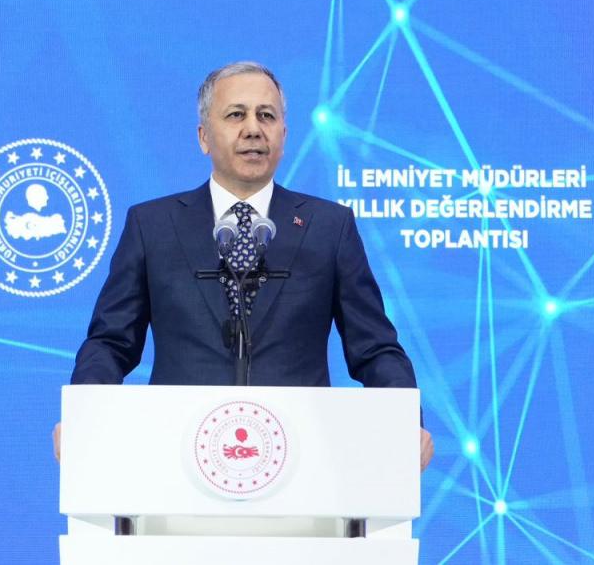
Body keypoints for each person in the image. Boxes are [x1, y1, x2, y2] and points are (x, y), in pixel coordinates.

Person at [53, 61, 433, 470]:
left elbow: (374, 348)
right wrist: (83, 414)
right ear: (203, 136)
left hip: (303, 463)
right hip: (176, 461)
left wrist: (404, 423)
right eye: (236, 114)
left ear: (283, 135)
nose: (253, 129)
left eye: (266, 116)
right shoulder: (153, 226)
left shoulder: (328, 227)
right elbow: (111, 343)